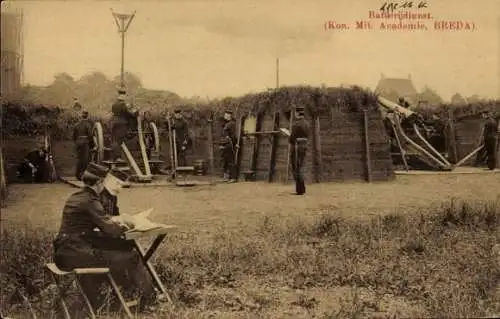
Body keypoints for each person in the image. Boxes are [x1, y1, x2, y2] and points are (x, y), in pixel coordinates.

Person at [53, 164, 155, 315]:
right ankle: (150, 299)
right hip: (77, 255)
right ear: (100, 183)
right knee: (131, 257)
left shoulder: (76, 196)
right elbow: (111, 230)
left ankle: (115, 296)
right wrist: (131, 224)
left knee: (120, 251)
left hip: (64, 252)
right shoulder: (91, 200)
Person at [110, 89, 139, 162]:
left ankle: (115, 157)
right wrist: (134, 114)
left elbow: (114, 112)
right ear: (124, 97)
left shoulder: (114, 104)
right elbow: (127, 114)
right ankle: (117, 157)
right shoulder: (123, 105)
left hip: (114, 123)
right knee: (119, 141)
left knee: (115, 140)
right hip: (122, 124)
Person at [289, 106, 309, 195]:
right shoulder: (307, 123)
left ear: (297, 113)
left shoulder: (296, 124)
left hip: (297, 146)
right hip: (304, 146)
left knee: (297, 167)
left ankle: (299, 190)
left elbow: (291, 138)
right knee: (300, 166)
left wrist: (289, 136)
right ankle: (302, 189)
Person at [73, 110, 94, 180]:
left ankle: (77, 175)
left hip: (78, 143)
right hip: (85, 143)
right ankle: (84, 175)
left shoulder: (76, 125)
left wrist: (77, 142)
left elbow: (73, 136)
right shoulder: (88, 125)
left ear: (81, 116)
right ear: (87, 116)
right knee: (85, 159)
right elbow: (90, 136)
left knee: (79, 159)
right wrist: (92, 145)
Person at [219, 110, 238, 182]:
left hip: (229, 145)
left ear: (229, 116)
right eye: (224, 115)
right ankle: (228, 177)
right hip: (226, 145)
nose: (224, 116)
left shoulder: (231, 124)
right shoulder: (227, 124)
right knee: (226, 161)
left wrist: (234, 143)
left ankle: (233, 177)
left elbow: (233, 135)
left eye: (226, 115)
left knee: (231, 161)